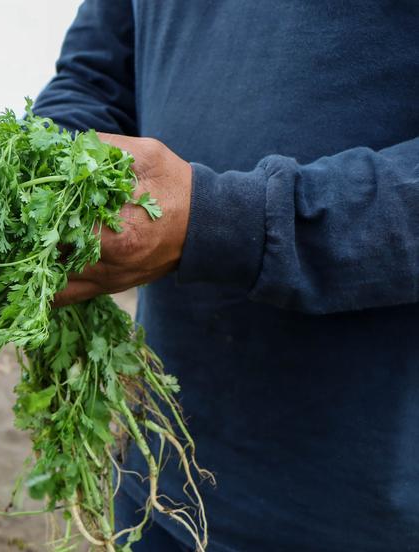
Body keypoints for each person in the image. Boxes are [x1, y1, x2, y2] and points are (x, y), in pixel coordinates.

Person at [32, 1, 419, 551]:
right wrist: (40, 177)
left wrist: (228, 220)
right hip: (158, 476)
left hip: (357, 508)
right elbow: (93, 76)